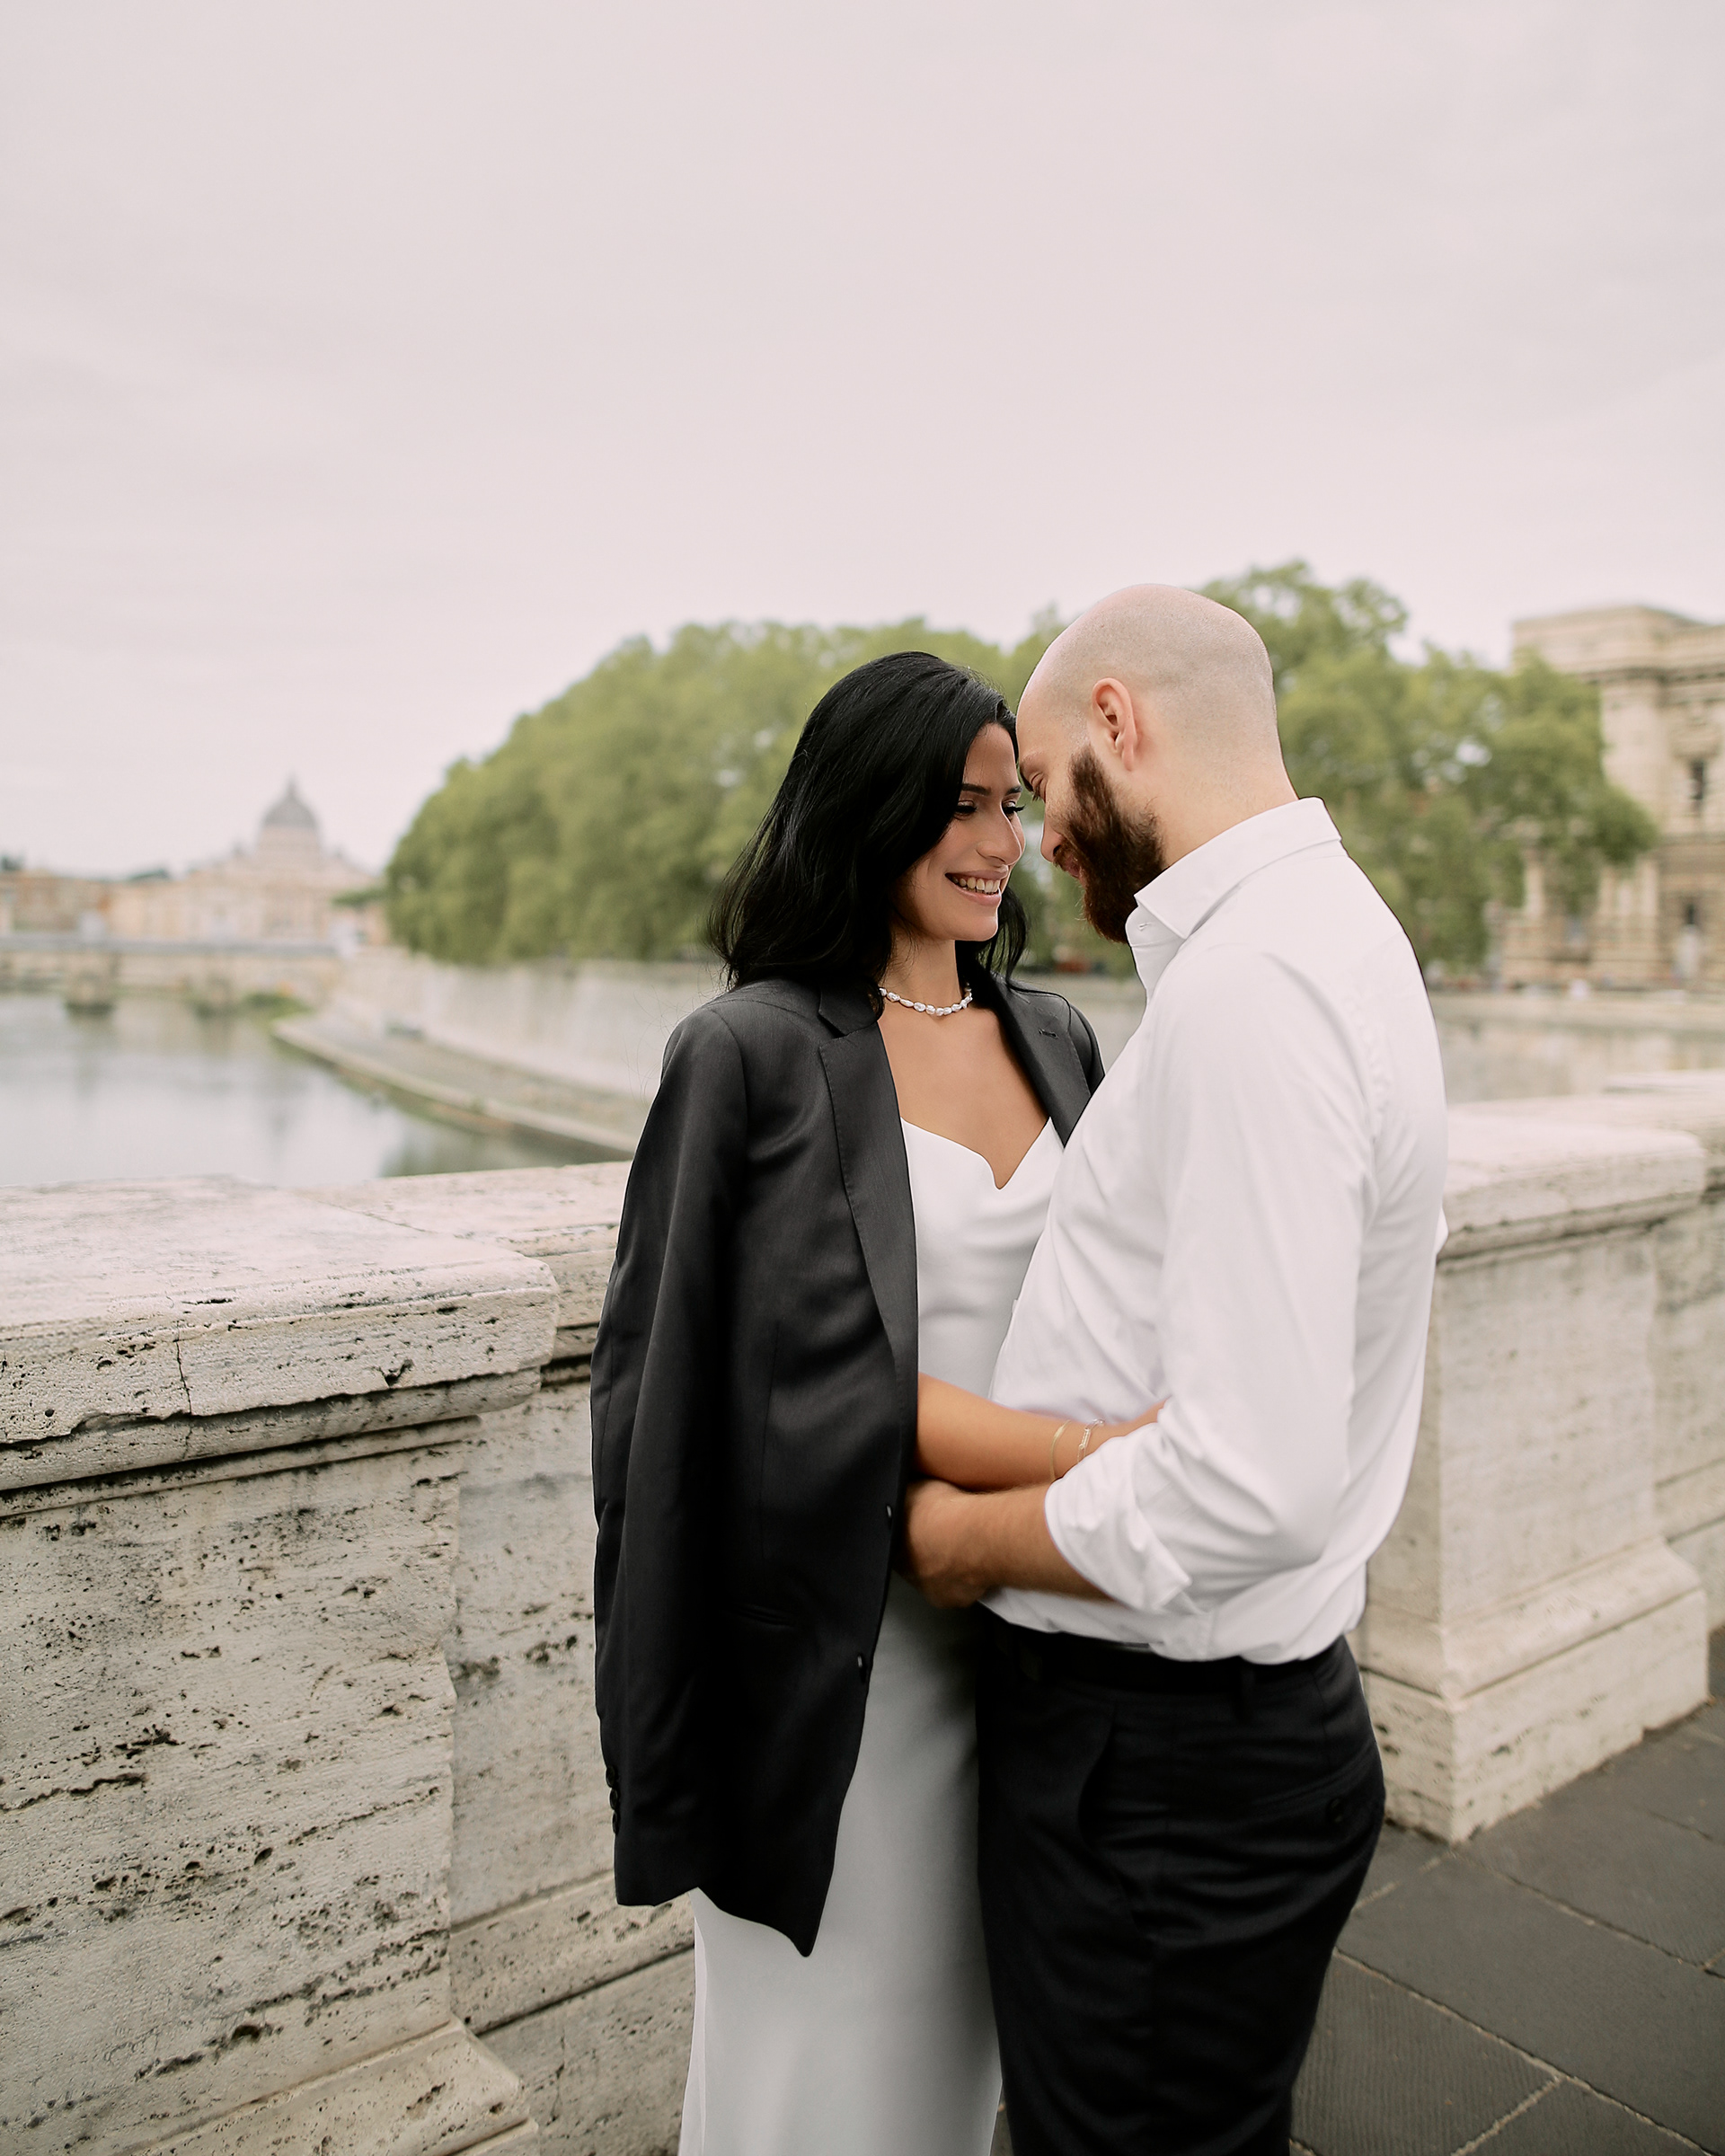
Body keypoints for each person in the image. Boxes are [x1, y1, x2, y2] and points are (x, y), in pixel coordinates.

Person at [902, 586, 1450, 2156]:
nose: (1036, 842)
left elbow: (1248, 1486)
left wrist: (962, 1540)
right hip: (1213, 1754)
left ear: (1117, 723)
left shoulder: (1254, 988)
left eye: (1040, 789)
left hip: (1157, 1770)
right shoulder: (1331, 935)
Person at [589, 650, 1128, 2156]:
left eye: (1011, 805)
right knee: (818, 2075)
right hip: (833, 1663)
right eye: (960, 806)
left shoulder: (1060, 1037)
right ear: (867, 807)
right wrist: (657, 1725)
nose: (1000, 842)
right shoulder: (747, 1052)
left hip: (1032, 1634)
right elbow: (668, 1400)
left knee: (963, 2065)